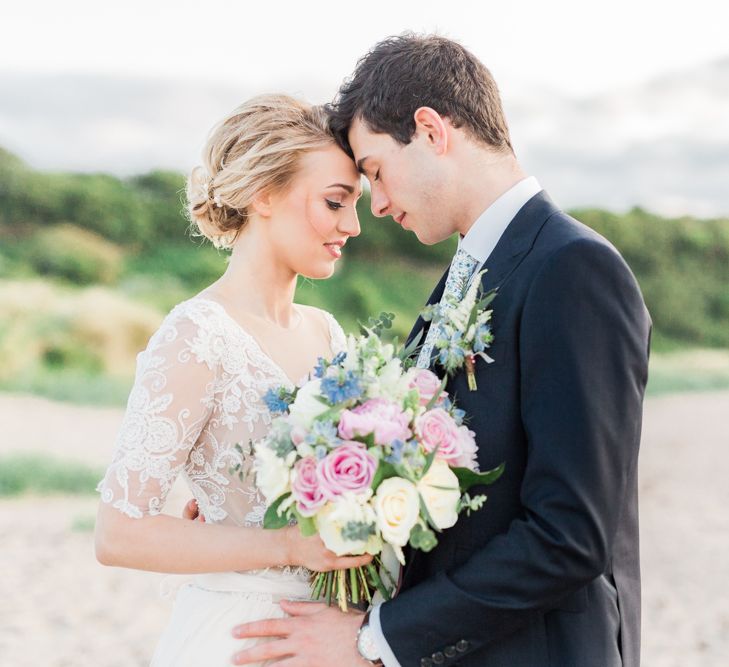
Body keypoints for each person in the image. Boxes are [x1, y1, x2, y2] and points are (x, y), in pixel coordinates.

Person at [231, 34, 651, 667]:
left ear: (430, 131)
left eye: (375, 170)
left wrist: (378, 639)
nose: (376, 203)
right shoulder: (466, 275)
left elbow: (569, 535)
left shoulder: (572, 269)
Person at [94, 93, 369, 666]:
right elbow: (117, 534)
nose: (353, 224)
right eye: (335, 201)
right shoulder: (197, 335)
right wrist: (288, 546)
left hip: (335, 635)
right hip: (242, 635)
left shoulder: (329, 334)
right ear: (262, 194)